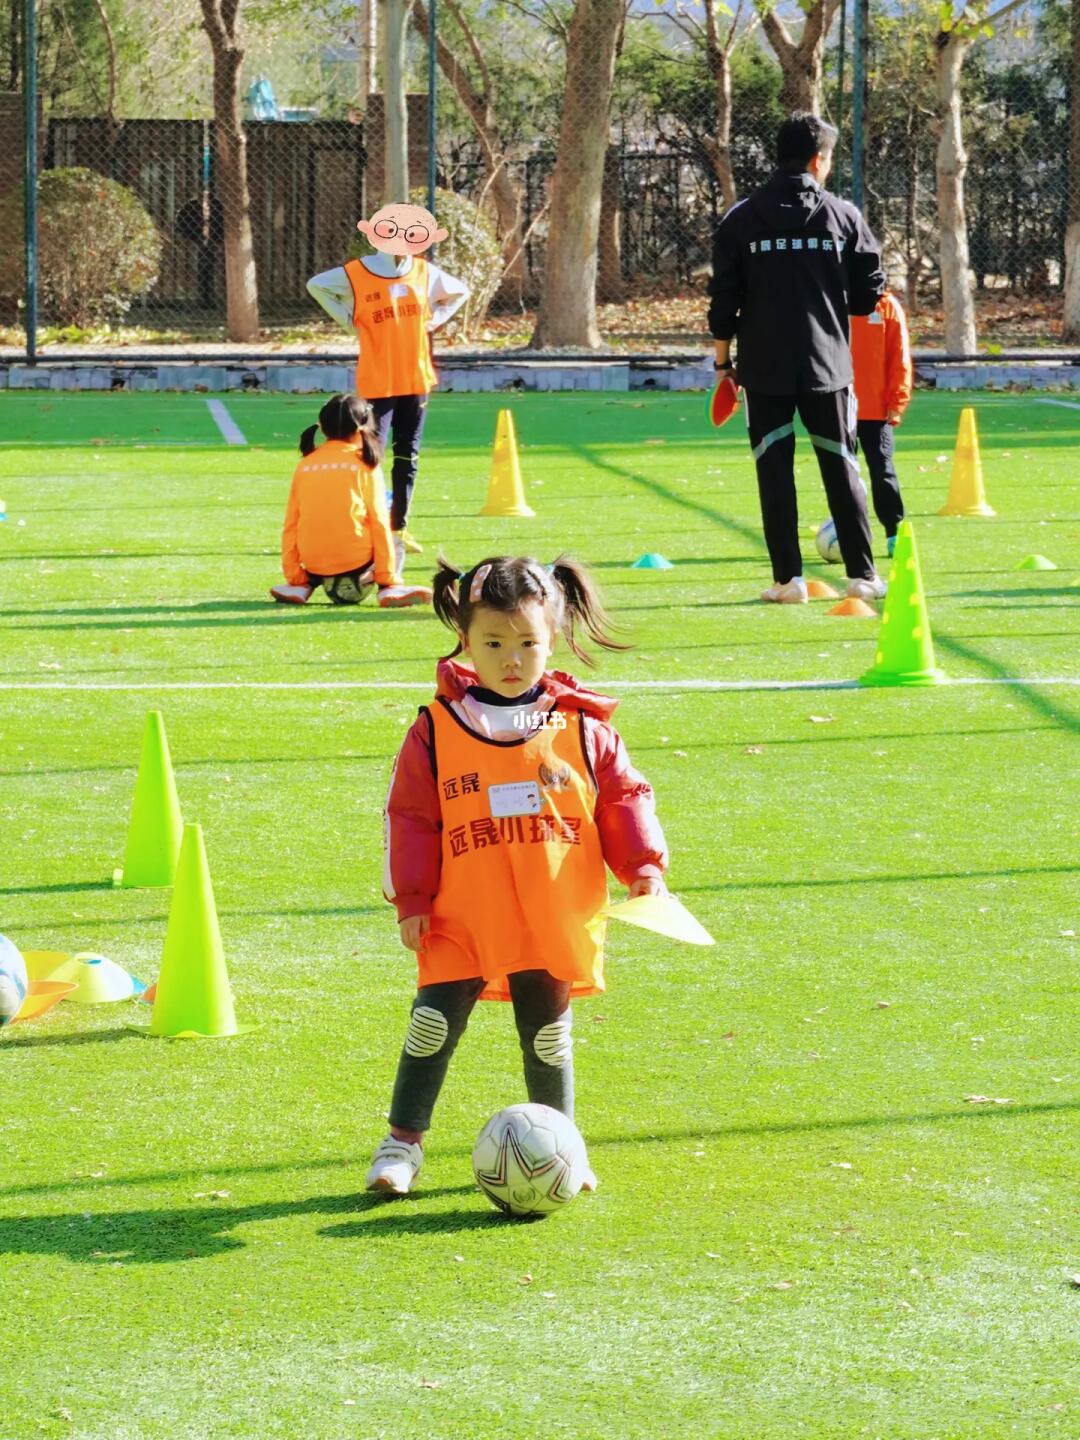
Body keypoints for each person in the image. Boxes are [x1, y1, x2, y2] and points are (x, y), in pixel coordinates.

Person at [367, 554, 669, 1195]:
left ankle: (564, 1147)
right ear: (465, 640)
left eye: (527, 643)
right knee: (433, 1023)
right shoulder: (436, 729)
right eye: (493, 643)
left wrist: (644, 867)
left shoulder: (583, 728)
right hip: (462, 911)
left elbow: (624, 798)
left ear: (552, 639)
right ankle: (401, 1144)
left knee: (548, 1034)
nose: (511, 659)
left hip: (550, 909)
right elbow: (410, 817)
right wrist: (412, 899)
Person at [708, 112, 889, 604]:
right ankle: (864, 577)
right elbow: (868, 293)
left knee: (774, 470)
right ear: (819, 159)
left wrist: (723, 366)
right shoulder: (844, 215)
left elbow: (723, 303)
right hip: (827, 366)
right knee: (841, 466)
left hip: (762, 369)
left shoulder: (740, 218)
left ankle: (788, 581)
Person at [306, 202, 470, 569]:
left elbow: (460, 293)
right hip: (377, 382)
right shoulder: (357, 273)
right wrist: (348, 319)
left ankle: (398, 528)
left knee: (407, 457)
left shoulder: (426, 274)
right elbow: (316, 285)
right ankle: (367, 525)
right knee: (369, 457)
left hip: (416, 379)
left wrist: (434, 320)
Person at [270, 393, 432, 609]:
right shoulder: (365, 465)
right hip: (356, 564)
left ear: (322, 426)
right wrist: (386, 576)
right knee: (396, 539)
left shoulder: (305, 465)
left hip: (312, 562)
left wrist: (294, 574)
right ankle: (389, 589)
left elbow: (291, 524)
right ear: (363, 428)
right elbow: (379, 522)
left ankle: (303, 585)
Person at [850, 287, 913, 558]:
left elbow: (899, 357)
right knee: (842, 474)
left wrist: (897, 401)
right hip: (839, 406)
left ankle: (893, 531)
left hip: (876, 410)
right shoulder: (831, 301)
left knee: (882, 469)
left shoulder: (886, 306)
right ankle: (848, 531)